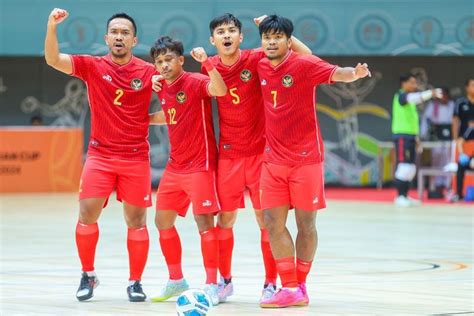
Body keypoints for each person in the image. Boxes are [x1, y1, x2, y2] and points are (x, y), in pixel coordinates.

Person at [256, 15, 371, 308]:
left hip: (306, 160)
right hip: (273, 161)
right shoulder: (257, 64)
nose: (271, 42)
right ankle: (289, 286)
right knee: (272, 222)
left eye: (277, 36)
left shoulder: (304, 65)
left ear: (288, 41)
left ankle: (301, 285)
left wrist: (354, 73)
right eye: (266, 37)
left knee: (305, 224)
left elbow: (339, 73)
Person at [45, 8, 156, 302]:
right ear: (107, 38)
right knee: (87, 213)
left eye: (125, 33)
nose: (119, 37)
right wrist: (52, 27)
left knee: (137, 221)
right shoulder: (92, 66)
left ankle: (135, 282)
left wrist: (154, 119)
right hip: (100, 156)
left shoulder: (148, 72)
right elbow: (53, 59)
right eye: (115, 32)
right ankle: (88, 274)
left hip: (135, 158)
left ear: (134, 40)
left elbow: (180, 91)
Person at [204, 13, 312, 303]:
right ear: (212, 40)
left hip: (262, 156)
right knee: (225, 220)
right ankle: (224, 283)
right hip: (228, 157)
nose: (226, 36)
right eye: (220, 32)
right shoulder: (209, 66)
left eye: (232, 31)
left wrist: (268, 29)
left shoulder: (256, 58)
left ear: (241, 37)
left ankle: (270, 283)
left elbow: (306, 55)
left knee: (267, 221)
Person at [148, 36, 227, 306]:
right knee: (162, 222)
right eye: (159, 61)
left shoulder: (194, 81)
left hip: (200, 165)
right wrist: (145, 119)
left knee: (204, 224)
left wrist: (207, 64)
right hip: (175, 166)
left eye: (169, 59)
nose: (164, 65)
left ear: (181, 60)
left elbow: (219, 91)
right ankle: (176, 280)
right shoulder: (161, 86)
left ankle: (212, 284)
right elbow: (170, 114)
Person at [392, 73, 442, 207]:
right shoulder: (401, 96)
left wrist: (417, 138)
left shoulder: (410, 103)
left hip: (411, 137)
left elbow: (413, 124)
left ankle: (406, 196)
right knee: (404, 166)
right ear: (404, 83)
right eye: (412, 82)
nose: (414, 85)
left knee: (411, 168)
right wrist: (430, 94)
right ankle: (399, 196)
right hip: (402, 136)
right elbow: (416, 98)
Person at [420, 87, 455, 191]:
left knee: (449, 159)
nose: (443, 97)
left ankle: (448, 183)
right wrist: (423, 135)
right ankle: (435, 184)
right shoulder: (432, 105)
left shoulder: (452, 105)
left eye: (445, 95)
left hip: (450, 136)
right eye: (441, 95)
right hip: (436, 136)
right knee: (436, 159)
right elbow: (425, 120)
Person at [451, 78, 474, 202]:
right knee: (461, 165)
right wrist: (455, 140)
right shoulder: (460, 102)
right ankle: (458, 193)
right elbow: (455, 120)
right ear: (467, 87)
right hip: (464, 142)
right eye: (472, 85)